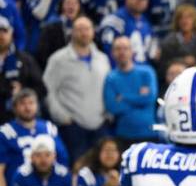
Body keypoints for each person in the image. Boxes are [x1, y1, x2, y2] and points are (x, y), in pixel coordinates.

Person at [43, 16, 111, 162]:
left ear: (93, 32)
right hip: (73, 127)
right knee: (77, 167)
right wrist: (62, 117)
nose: (84, 33)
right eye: (79, 29)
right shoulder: (58, 59)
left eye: (87, 29)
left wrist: (108, 113)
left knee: (100, 169)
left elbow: (109, 88)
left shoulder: (103, 59)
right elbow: (48, 90)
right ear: (72, 33)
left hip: (100, 124)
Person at [0, 88, 68, 186]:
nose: (27, 107)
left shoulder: (48, 128)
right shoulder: (6, 132)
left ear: (37, 105)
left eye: (31, 103)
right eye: (23, 103)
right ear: (14, 107)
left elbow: (62, 162)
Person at [103, 36, 158, 147]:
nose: (122, 52)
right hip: (123, 136)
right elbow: (112, 107)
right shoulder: (110, 78)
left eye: (125, 48)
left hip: (149, 133)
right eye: (118, 49)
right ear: (112, 53)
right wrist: (139, 98)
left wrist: (123, 97)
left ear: (132, 51)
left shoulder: (147, 72)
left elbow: (150, 98)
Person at [0, 16, 44, 125]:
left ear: (11, 34)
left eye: (4, 31)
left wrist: (23, 92)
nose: (0, 35)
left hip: (20, 121)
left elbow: (42, 89)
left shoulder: (25, 60)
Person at [98, 0, 155, 64]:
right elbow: (108, 50)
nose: (139, 1)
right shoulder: (114, 21)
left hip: (143, 72)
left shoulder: (146, 23)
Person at [37, 0, 82, 70]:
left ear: (79, 7)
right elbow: (43, 54)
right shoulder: (50, 27)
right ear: (62, 5)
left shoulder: (84, 27)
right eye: (68, 3)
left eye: (75, 3)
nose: (71, 6)